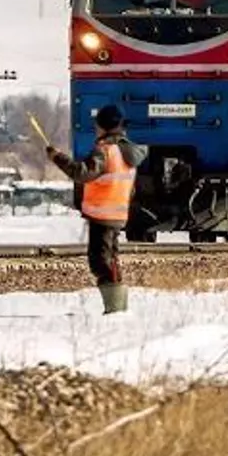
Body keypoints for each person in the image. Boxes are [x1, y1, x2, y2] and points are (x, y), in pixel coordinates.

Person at [46, 105, 147, 314]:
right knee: (110, 259)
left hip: (104, 214)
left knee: (100, 262)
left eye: (97, 125)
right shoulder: (126, 151)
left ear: (103, 126)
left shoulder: (105, 151)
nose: (95, 129)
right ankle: (116, 307)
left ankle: (115, 308)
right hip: (117, 213)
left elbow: (81, 173)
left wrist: (58, 157)